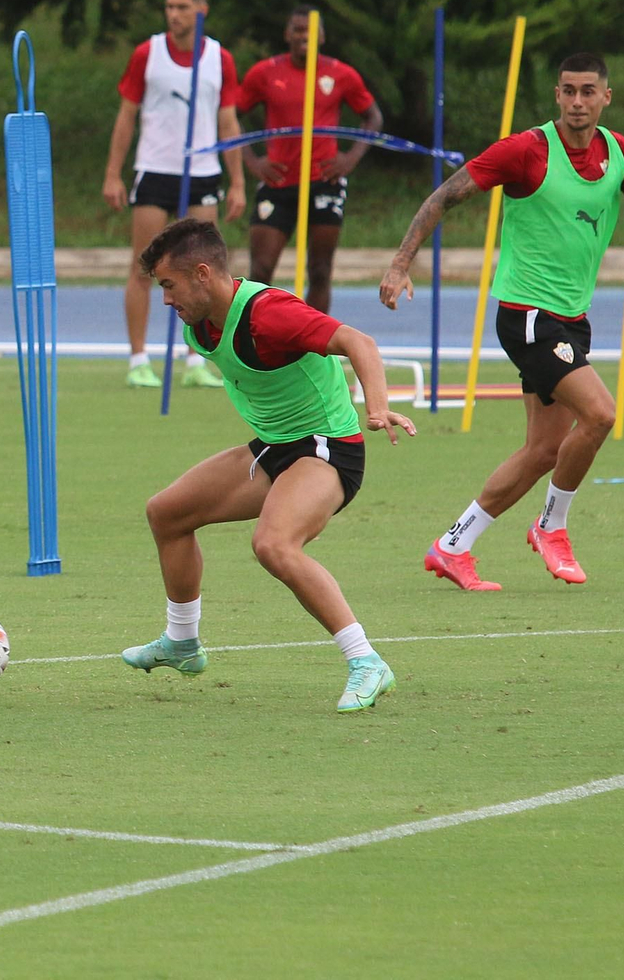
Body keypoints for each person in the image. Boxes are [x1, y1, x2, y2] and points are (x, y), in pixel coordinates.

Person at [382, 53, 624, 590]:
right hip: (527, 315)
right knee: (602, 415)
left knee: (543, 450)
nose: (577, 102)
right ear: (557, 96)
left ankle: (452, 546)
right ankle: (551, 527)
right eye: (568, 91)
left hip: (572, 319)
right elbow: (445, 196)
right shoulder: (527, 150)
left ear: (607, 97)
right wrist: (400, 264)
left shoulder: (619, 153)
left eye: (588, 92)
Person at [122, 218, 415, 711]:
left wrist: (377, 407)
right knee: (167, 513)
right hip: (274, 448)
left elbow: (358, 342)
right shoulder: (200, 320)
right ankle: (182, 642)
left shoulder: (269, 313)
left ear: (201, 274)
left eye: (169, 286)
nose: (165, 300)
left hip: (326, 449)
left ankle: (366, 661)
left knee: (274, 544)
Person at [102, 0, 247, 388]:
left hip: (201, 173)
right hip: (155, 170)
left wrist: (236, 181)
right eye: (169, 6)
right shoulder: (148, 54)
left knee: (203, 271)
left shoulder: (220, 59)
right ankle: (138, 359)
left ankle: (196, 360)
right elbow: (126, 115)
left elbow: (228, 121)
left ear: (202, 10)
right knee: (142, 267)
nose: (174, 14)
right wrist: (114, 174)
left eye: (182, 7)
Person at [237, 5, 383, 314]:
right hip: (277, 179)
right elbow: (230, 117)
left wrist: (350, 158)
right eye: (298, 29)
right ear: (287, 34)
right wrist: (253, 161)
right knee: (260, 272)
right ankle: (256, 342)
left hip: (324, 180)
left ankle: (312, 347)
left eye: (311, 30)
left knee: (319, 270)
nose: (304, 36)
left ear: (323, 36)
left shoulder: (341, 74)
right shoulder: (265, 73)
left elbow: (373, 118)